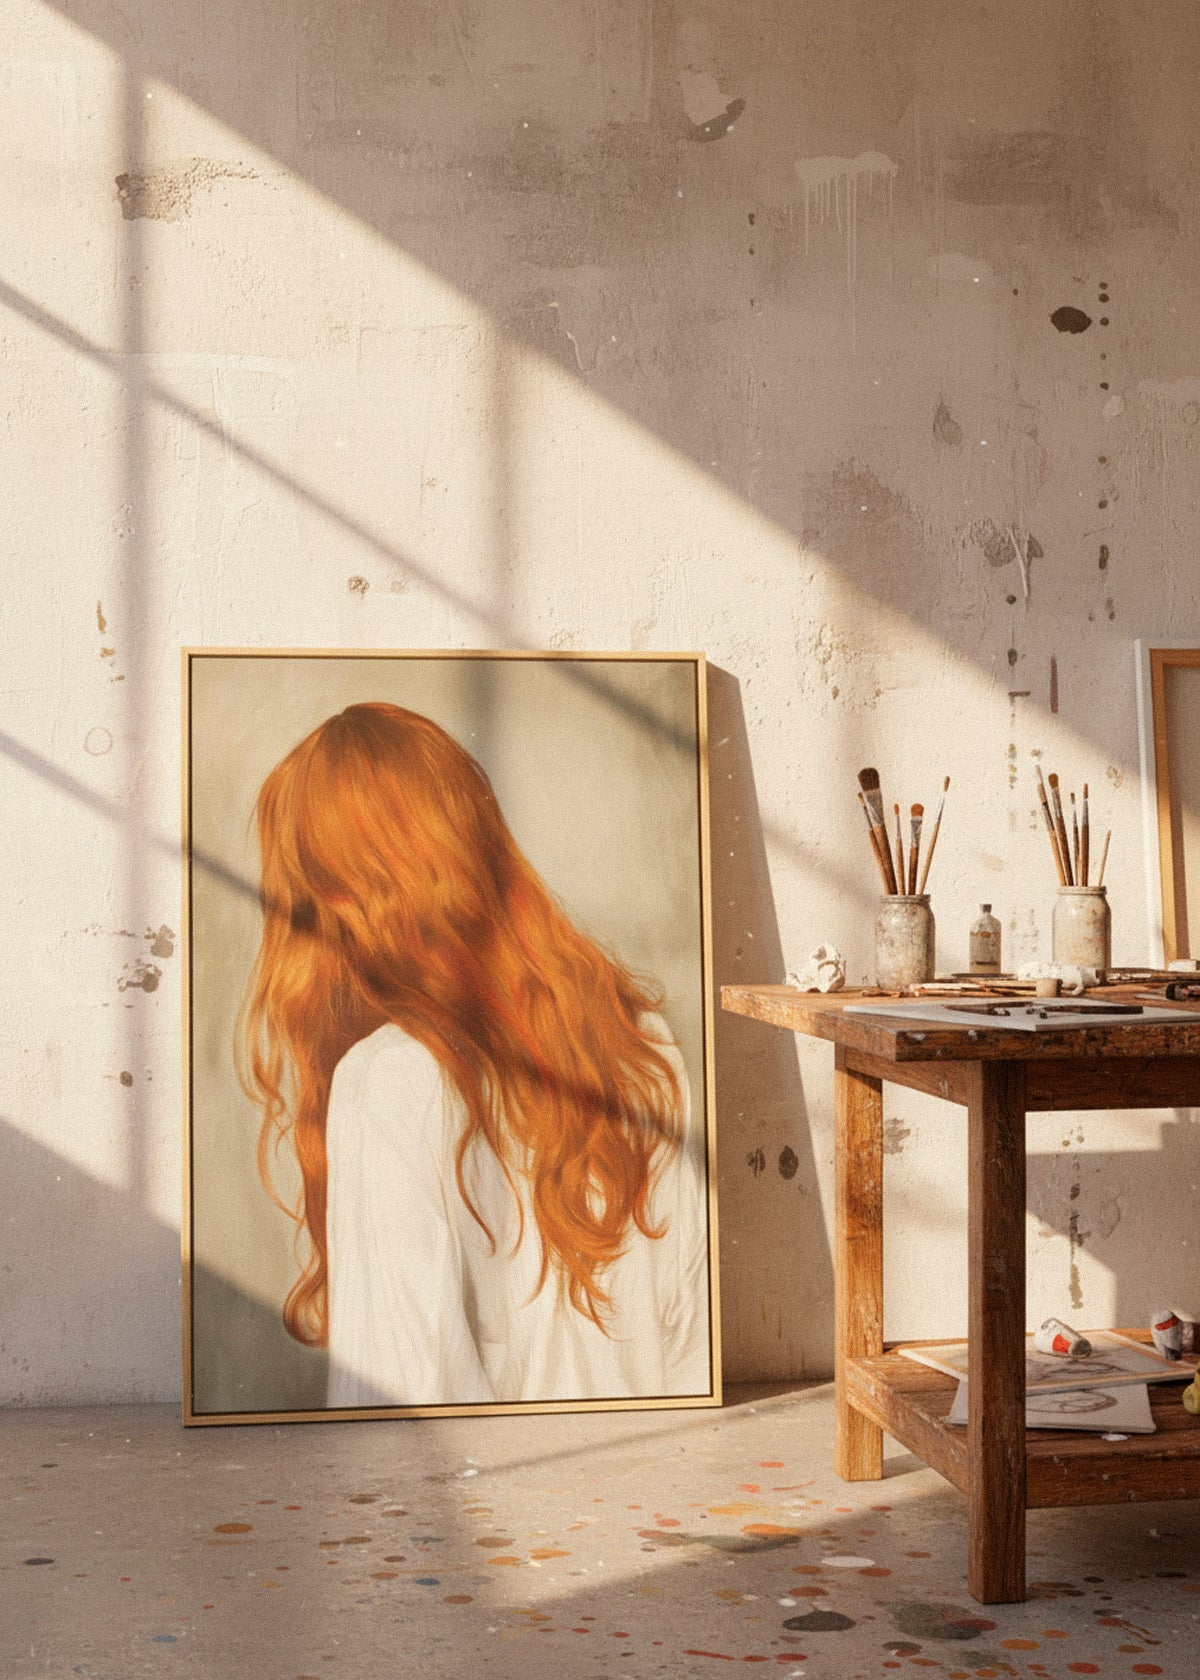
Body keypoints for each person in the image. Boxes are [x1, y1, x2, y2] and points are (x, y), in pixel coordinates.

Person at [238, 701, 709, 1407]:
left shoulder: (387, 1080)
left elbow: (401, 1414)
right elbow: (694, 1349)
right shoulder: (642, 1042)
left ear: (340, 894)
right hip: (660, 1490)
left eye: (312, 890)